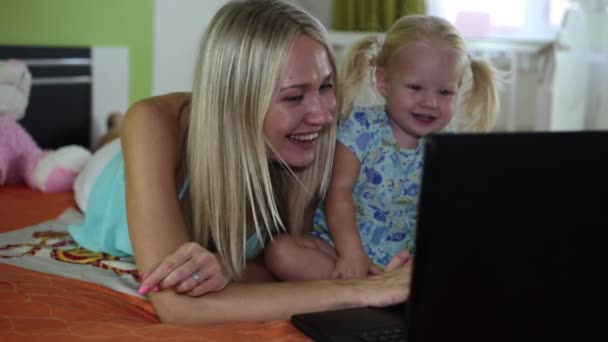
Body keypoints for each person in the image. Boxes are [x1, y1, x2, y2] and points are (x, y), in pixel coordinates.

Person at [67, 0, 411, 324]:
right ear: (236, 101)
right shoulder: (152, 122)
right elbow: (175, 304)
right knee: (94, 153)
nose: (322, 116)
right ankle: (112, 128)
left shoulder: (305, 146)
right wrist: (367, 290)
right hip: (106, 177)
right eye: (293, 96)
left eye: (325, 86)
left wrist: (227, 268)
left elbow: (273, 267)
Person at [264, 14, 501, 281]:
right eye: (415, 87)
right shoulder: (362, 128)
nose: (430, 103)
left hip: (401, 266)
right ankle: (362, 289)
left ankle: (376, 291)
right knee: (280, 251)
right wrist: (352, 254)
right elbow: (338, 192)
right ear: (384, 83)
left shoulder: (447, 149)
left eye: (444, 92)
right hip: (340, 251)